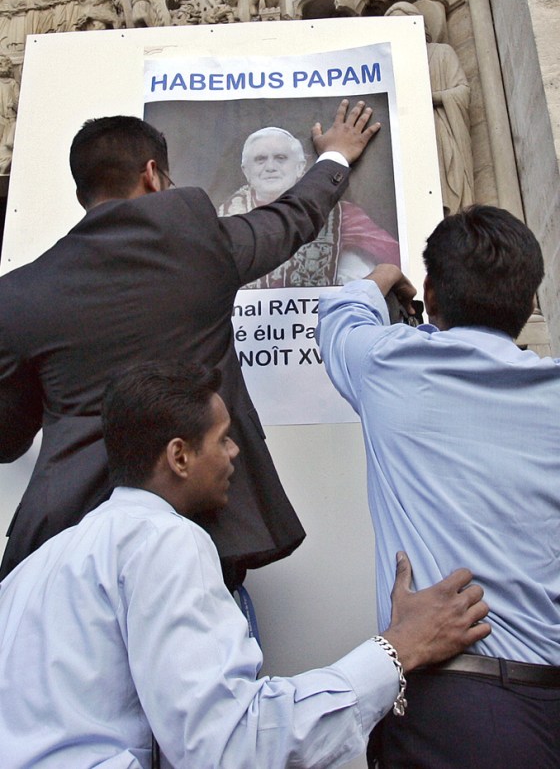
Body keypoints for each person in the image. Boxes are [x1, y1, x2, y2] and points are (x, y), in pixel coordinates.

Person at [0, 359, 491, 768]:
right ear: (180, 457)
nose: (235, 452)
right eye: (223, 438)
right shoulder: (163, 541)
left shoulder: (35, 568)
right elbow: (229, 744)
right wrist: (397, 649)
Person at [0, 99, 378, 590]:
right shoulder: (202, 244)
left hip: (67, 556)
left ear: (84, 191)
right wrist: (335, 158)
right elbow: (290, 219)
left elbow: (8, 439)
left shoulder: (20, 295)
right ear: (153, 175)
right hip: (201, 540)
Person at [316, 204, 560, 768]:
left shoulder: (388, 364)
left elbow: (338, 316)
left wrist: (383, 278)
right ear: (529, 303)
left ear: (431, 289)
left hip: (450, 706)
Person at [219, 125, 400, 287]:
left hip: (320, 318)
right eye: (260, 159)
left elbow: (394, 256)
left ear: (300, 167)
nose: (270, 167)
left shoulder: (341, 214)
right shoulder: (221, 216)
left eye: (280, 158)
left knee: (358, 264)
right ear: (246, 170)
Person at [385, 2, 474, 215]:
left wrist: (431, 97)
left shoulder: (441, 53)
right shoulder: (387, 64)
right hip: (404, 133)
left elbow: (462, 90)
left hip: (439, 128)